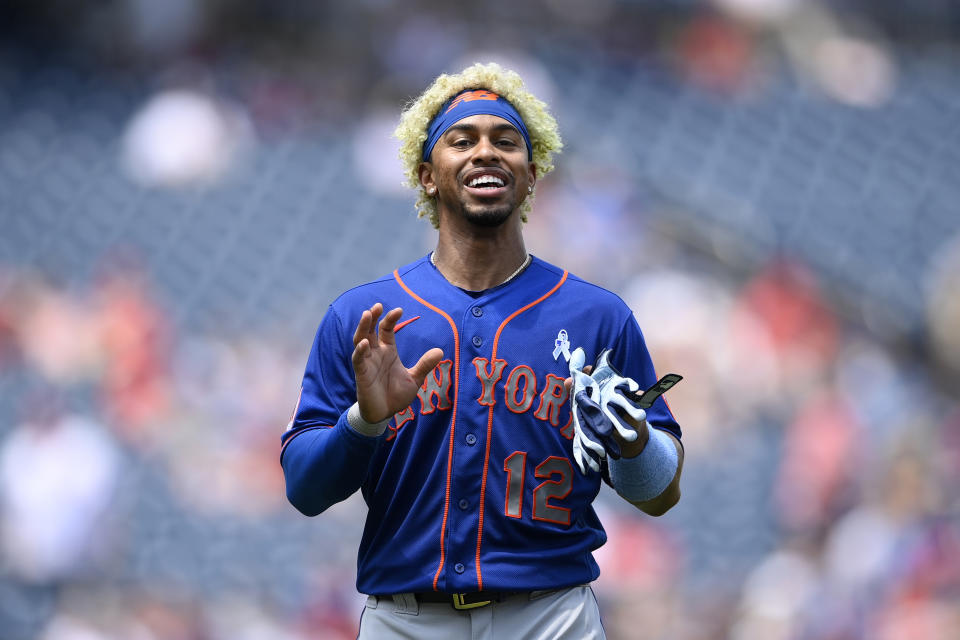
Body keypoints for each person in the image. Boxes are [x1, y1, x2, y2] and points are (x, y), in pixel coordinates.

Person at [280, 62, 684, 639]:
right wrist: (365, 421)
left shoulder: (599, 317)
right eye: (462, 140)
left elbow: (660, 495)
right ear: (426, 174)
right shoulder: (364, 319)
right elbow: (304, 490)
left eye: (507, 141)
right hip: (407, 620)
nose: (486, 152)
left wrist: (633, 440)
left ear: (533, 171)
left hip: (551, 616)